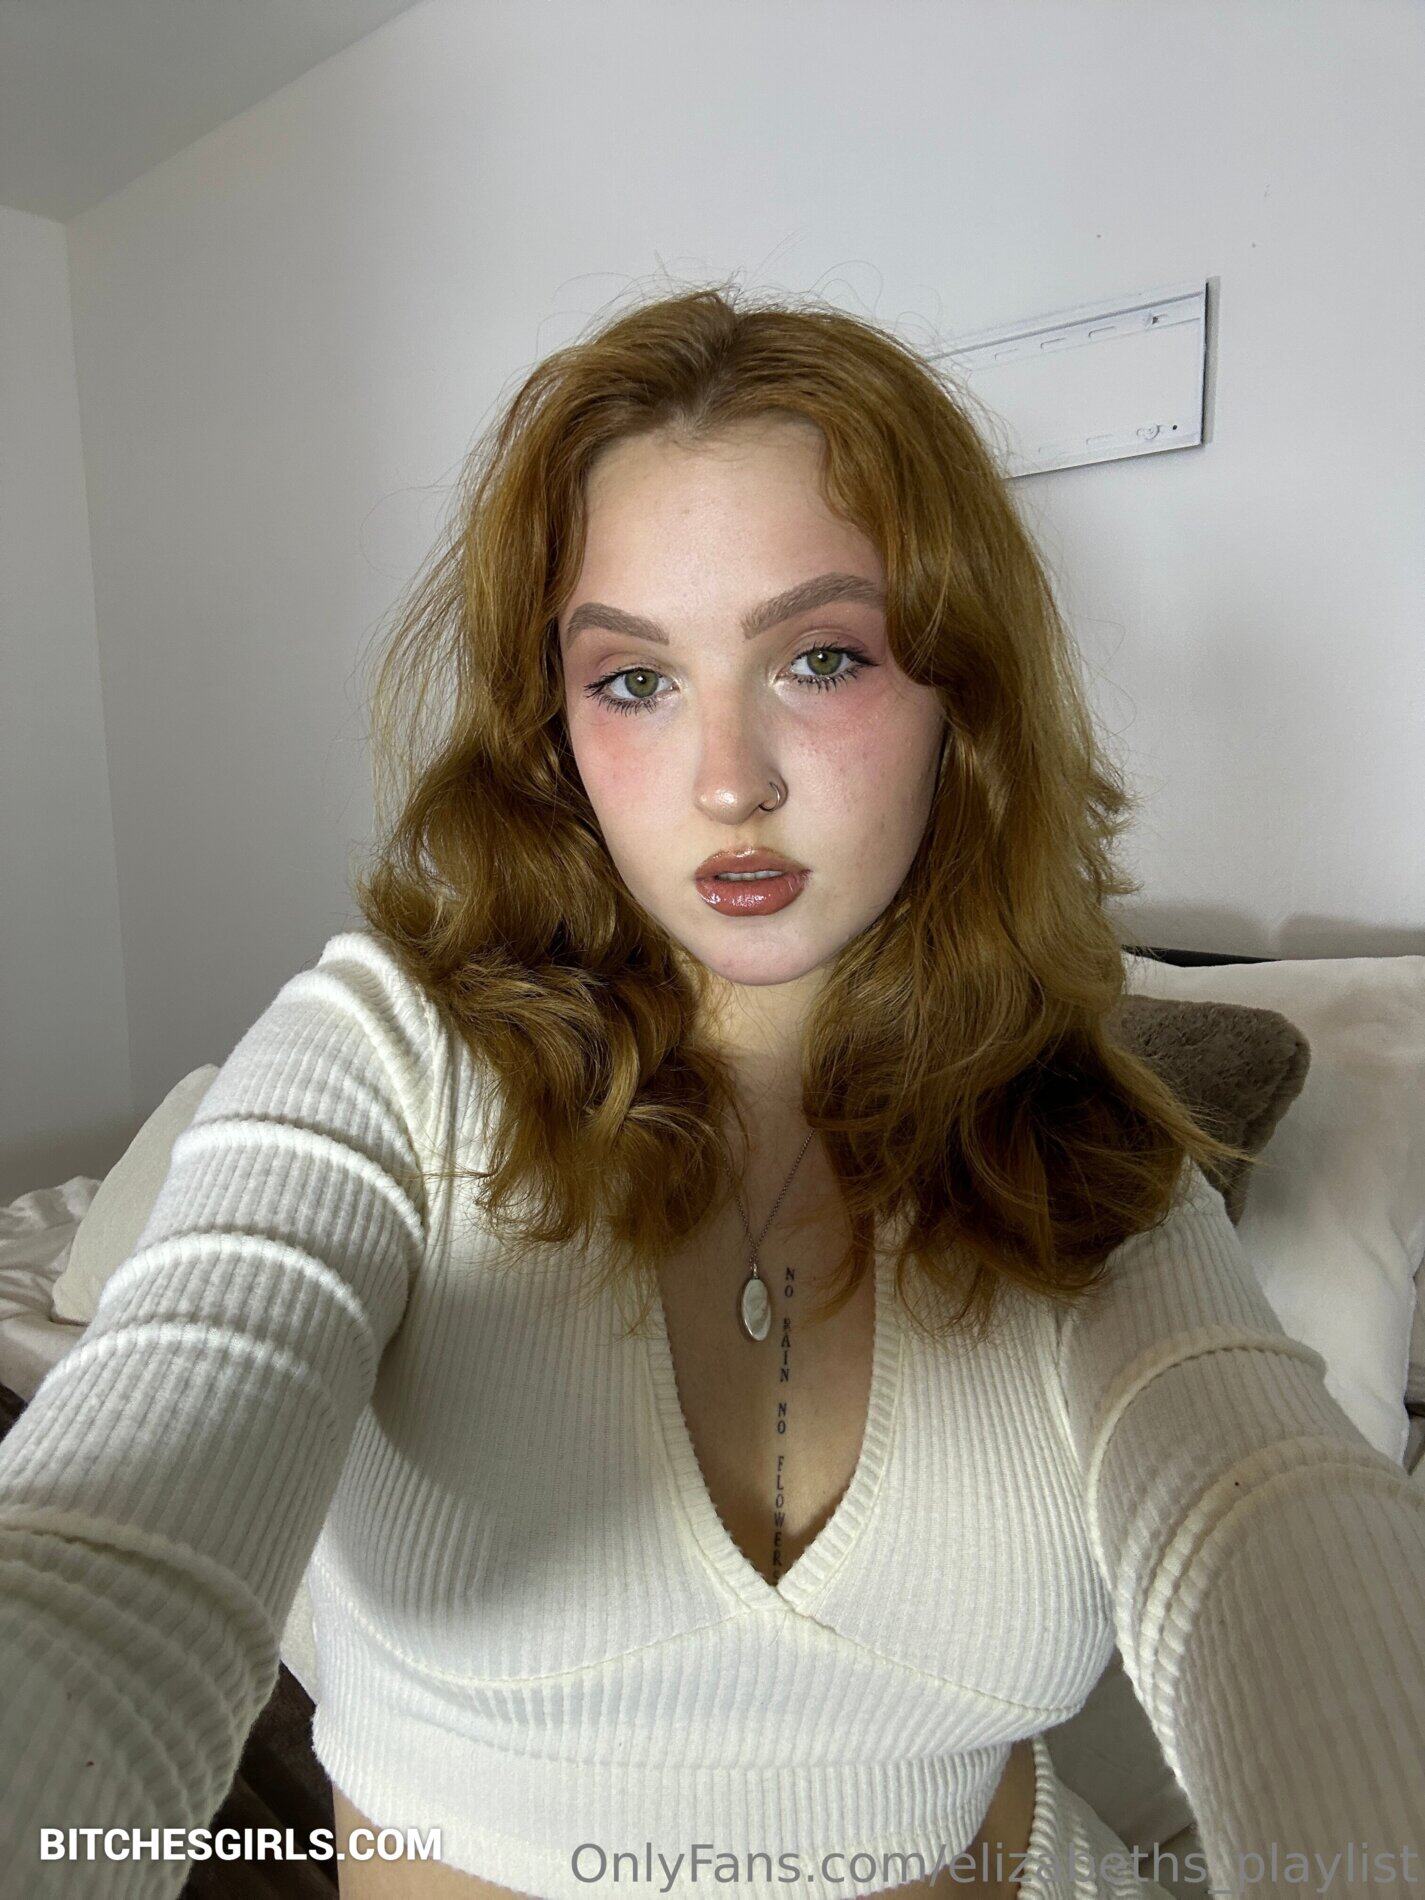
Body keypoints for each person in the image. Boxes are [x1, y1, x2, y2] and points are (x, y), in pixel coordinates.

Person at [2, 284, 1422, 1900]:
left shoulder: (1059, 1123)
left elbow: (1270, 1515)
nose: (729, 780)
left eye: (821, 657)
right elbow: (109, 1559)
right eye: (634, 680)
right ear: (553, 724)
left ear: (957, 694)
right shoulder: (388, 1055)